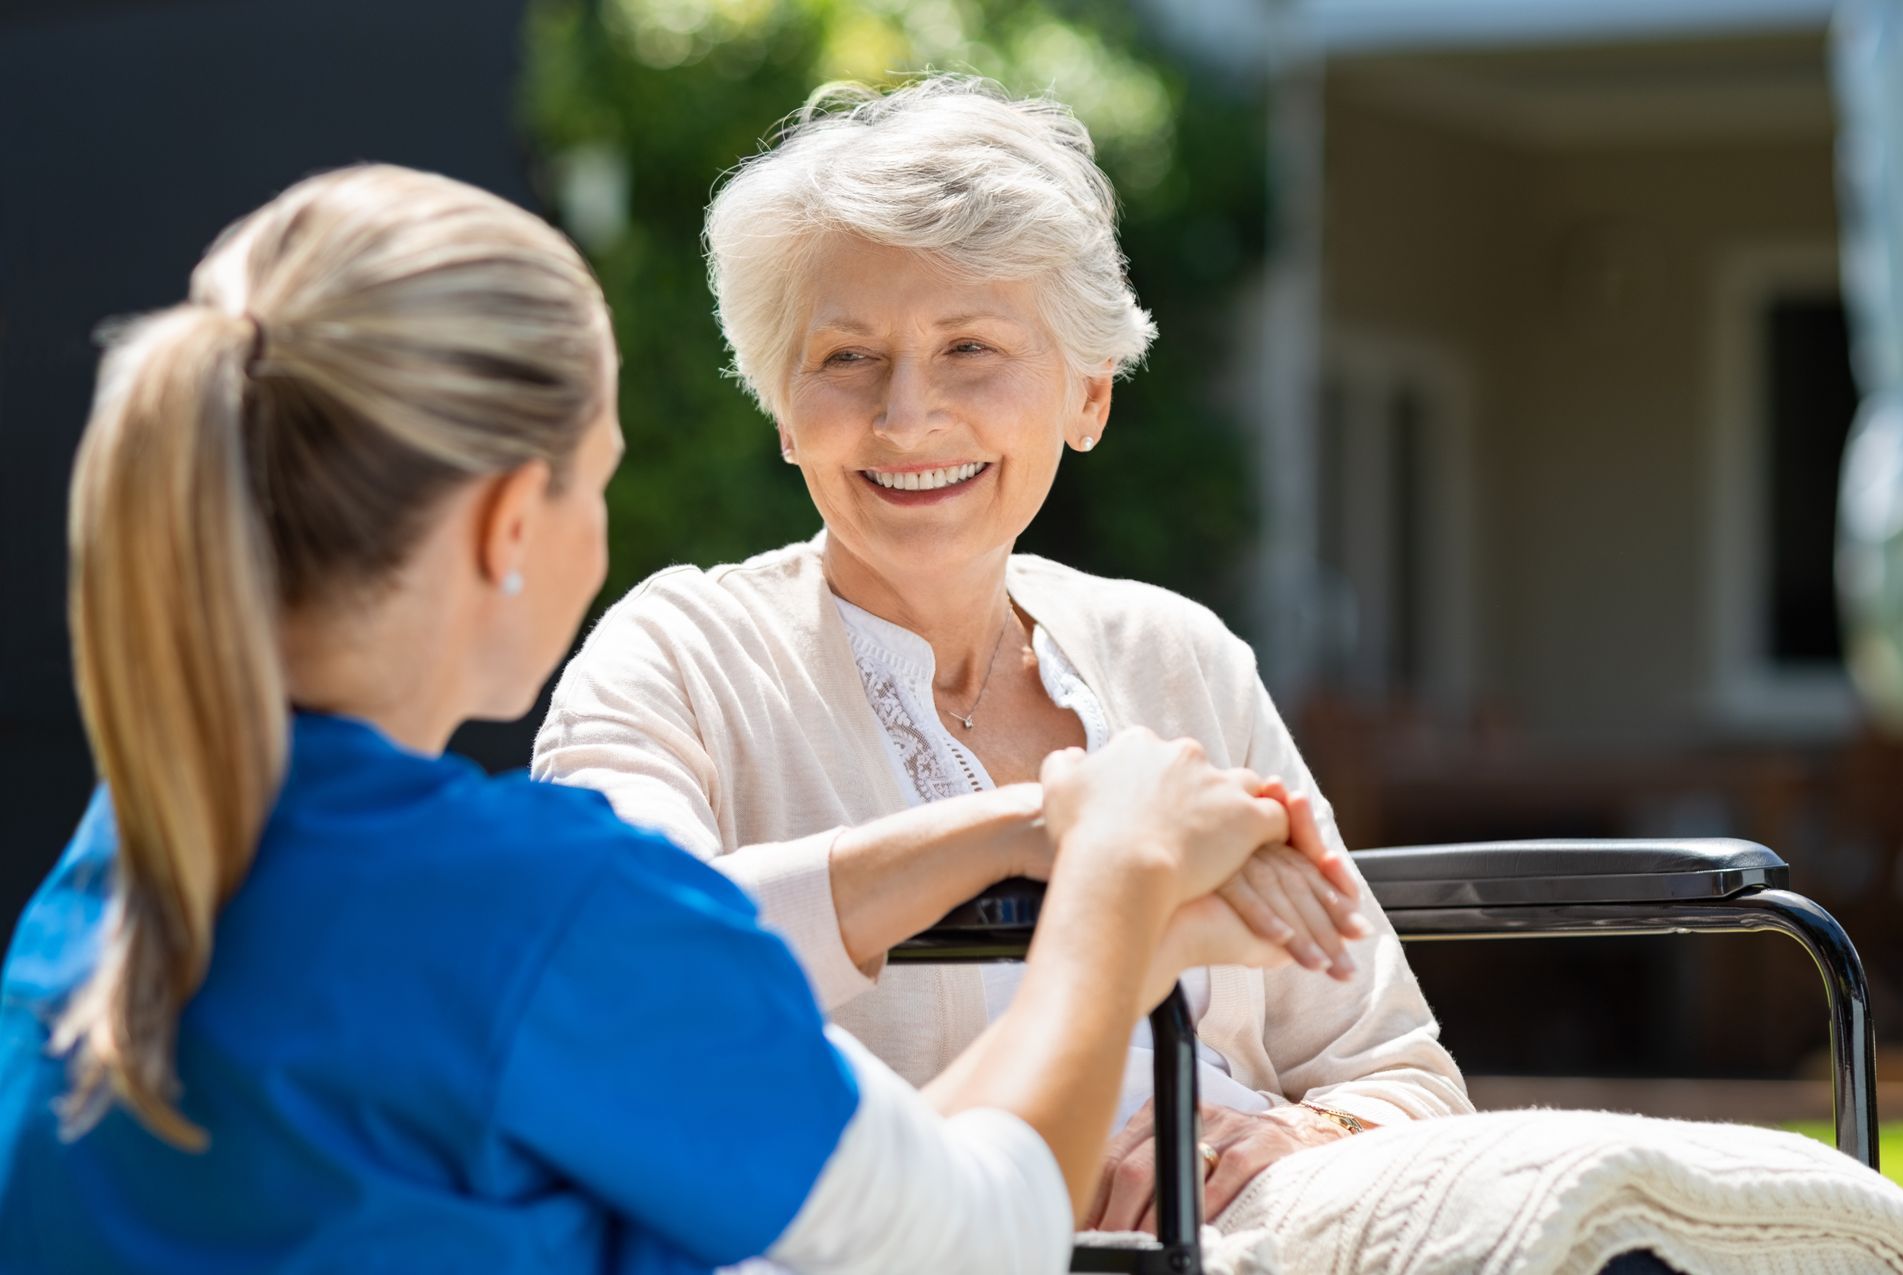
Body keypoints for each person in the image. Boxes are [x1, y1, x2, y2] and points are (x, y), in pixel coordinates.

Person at [0, 164, 1324, 1273]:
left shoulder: (123, 864)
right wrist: (1117, 877)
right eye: (602, 481)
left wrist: (1023, 823)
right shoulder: (541, 913)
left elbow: (689, 1001)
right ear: (513, 523)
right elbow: (970, 1231)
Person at [532, 75, 1470, 1233]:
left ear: (1088, 394)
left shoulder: (1178, 658)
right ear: (783, 409)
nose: (907, 416)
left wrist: (1291, 1136)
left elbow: (1398, 1071)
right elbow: (624, 971)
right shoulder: (678, 653)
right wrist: (1043, 829)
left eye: (970, 347)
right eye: (845, 359)